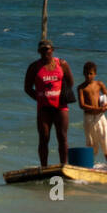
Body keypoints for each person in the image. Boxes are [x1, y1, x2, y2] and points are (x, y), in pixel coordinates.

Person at [24, 39, 74, 168]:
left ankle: (64, 165)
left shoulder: (62, 64)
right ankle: (44, 167)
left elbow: (70, 82)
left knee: (62, 137)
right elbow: (27, 88)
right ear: (38, 51)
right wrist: (40, 98)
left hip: (60, 106)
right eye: (42, 50)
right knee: (44, 137)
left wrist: (61, 93)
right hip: (44, 108)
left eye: (47, 49)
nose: (45, 52)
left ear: (52, 49)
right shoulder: (34, 67)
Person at [77, 62, 107, 169]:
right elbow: (82, 105)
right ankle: (89, 166)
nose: (88, 76)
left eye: (90, 73)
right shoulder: (81, 88)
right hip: (89, 117)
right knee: (91, 142)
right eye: (86, 74)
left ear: (95, 74)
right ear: (83, 74)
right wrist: (97, 109)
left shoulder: (99, 84)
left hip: (100, 117)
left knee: (105, 139)